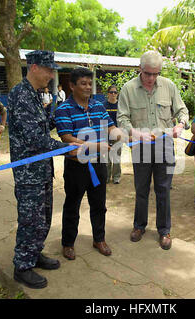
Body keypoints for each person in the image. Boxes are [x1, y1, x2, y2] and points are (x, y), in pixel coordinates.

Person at [8, 50, 79, 289]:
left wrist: (66, 119)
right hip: (29, 172)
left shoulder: (36, 95)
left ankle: (34, 253)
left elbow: (45, 125)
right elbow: (34, 138)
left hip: (41, 169)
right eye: (49, 70)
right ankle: (22, 266)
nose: (52, 75)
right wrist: (66, 148)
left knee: (43, 217)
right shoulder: (21, 95)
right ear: (34, 67)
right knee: (30, 219)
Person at [117, 50, 189, 250]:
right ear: (140, 69)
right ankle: (139, 226)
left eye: (155, 74)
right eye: (147, 73)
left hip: (164, 147)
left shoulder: (169, 86)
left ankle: (164, 230)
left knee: (163, 190)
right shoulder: (128, 89)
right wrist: (134, 133)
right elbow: (122, 118)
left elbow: (182, 110)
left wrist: (180, 125)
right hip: (140, 148)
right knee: (141, 189)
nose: (151, 78)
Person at [54, 67, 117, 261]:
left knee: (99, 204)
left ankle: (99, 239)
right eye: (83, 83)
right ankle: (68, 243)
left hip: (98, 166)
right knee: (72, 205)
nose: (88, 87)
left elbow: (111, 128)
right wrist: (96, 145)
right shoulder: (63, 109)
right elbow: (67, 138)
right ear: (72, 86)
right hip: (76, 166)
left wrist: (126, 135)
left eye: (90, 83)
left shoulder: (98, 106)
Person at [104, 84, 122, 184]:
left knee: (116, 157)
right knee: (106, 159)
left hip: (117, 136)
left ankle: (116, 177)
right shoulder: (103, 106)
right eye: (111, 92)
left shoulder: (120, 106)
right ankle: (106, 177)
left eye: (115, 92)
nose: (113, 94)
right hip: (105, 135)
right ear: (108, 94)